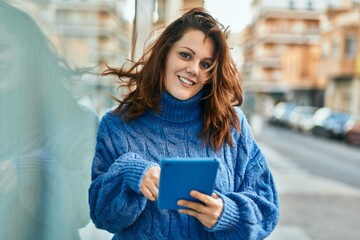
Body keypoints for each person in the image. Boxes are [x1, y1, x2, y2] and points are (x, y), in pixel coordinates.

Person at [89, 7, 279, 240]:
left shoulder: (232, 124)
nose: (193, 70)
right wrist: (129, 172)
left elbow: (267, 208)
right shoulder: (117, 124)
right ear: (165, 53)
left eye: (206, 64)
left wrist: (226, 213)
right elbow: (102, 217)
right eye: (186, 55)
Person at [0, 1, 98, 239]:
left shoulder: (78, 121)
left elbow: (83, 207)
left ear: (28, 49)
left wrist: (26, 172)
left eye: (2, 47)